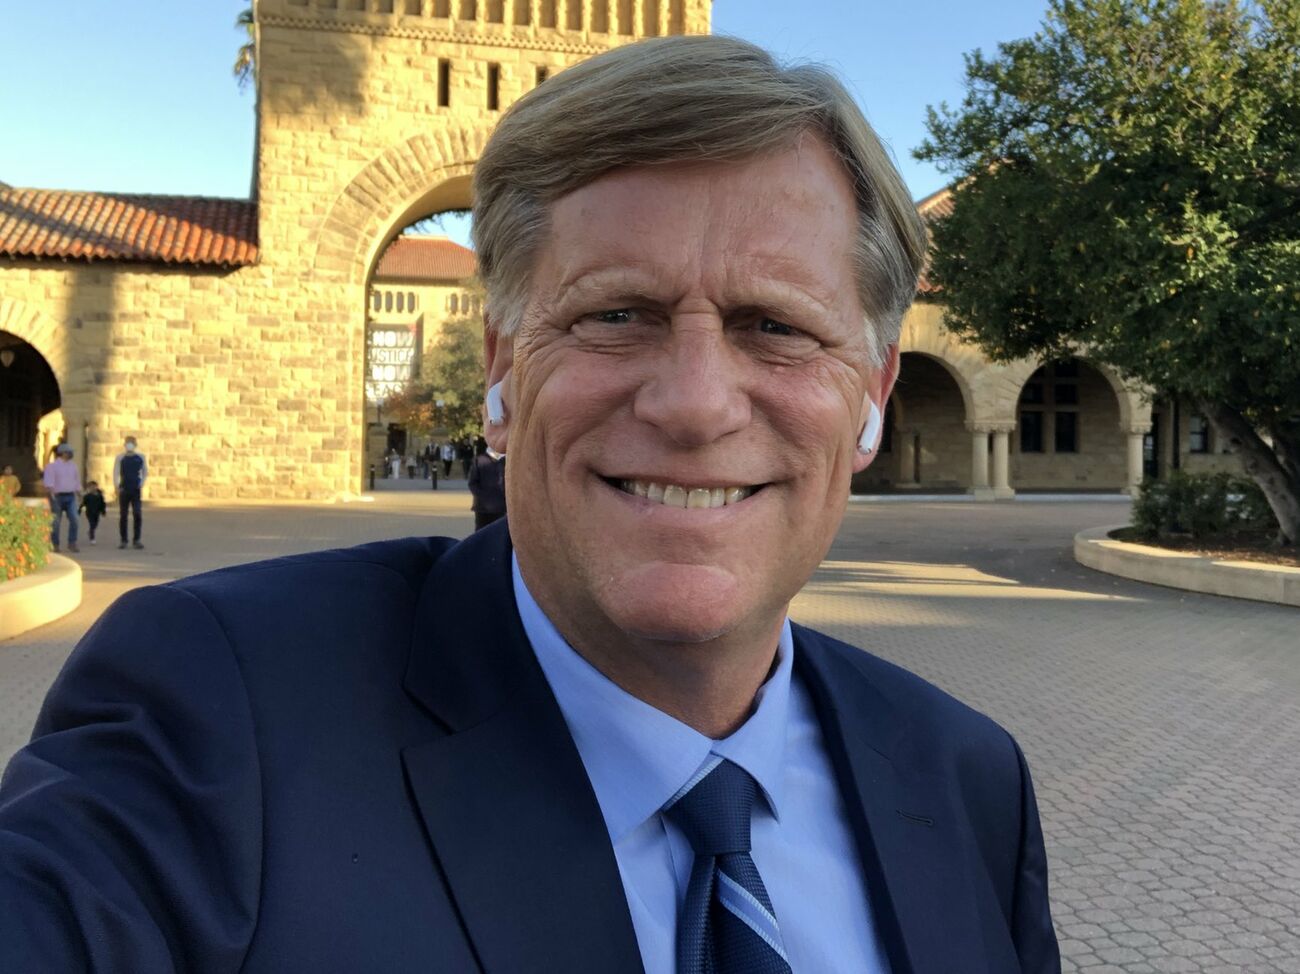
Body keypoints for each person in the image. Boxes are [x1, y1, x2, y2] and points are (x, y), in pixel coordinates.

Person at [0, 36, 1059, 973]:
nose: (695, 403)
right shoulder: (214, 714)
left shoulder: (968, 782)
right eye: (616, 314)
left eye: (775, 327)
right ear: (503, 368)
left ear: (870, 397)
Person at [41, 443, 81, 554]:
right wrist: (50, 493)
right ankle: (55, 544)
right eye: (69, 452)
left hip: (70, 496)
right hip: (57, 496)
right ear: (62, 453)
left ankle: (72, 542)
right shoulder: (52, 466)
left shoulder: (73, 466)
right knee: (56, 522)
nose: (71, 454)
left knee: (75, 519)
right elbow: (48, 482)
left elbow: (76, 480)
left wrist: (79, 492)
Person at [112, 435, 148, 550]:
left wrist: (141, 484)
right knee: (123, 515)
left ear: (135, 444)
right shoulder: (120, 457)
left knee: (137, 513)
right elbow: (116, 472)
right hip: (124, 488)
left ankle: (137, 539)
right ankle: (124, 540)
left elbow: (145, 471)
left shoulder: (140, 457)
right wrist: (117, 486)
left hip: (135, 488)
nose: (129, 445)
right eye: (128, 442)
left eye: (131, 443)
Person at [467, 439, 506, 531]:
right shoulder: (479, 460)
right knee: (481, 533)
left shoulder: (505, 461)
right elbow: (472, 483)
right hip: (483, 508)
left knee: (499, 534)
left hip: (501, 506)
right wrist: (484, 497)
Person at [79, 480, 108, 545]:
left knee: (95, 524)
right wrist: (79, 510)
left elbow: (103, 504)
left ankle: (90, 531)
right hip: (89, 513)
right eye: (91, 487)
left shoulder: (100, 496)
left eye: (94, 486)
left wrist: (103, 511)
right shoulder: (87, 496)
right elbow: (83, 503)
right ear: (89, 488)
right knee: (92, 524)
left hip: (97, 512)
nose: (92, 488)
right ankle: (92, 538)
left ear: (96, 487)